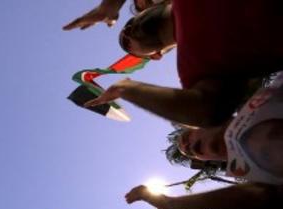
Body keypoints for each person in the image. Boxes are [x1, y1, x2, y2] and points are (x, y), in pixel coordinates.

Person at [85, 1, 283, 127]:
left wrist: (109, 5)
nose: (128, 32)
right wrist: (126, 88)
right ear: (155, 56)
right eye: (127, 44)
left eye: (128, 24)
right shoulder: (194, 69)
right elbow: (205, 111)